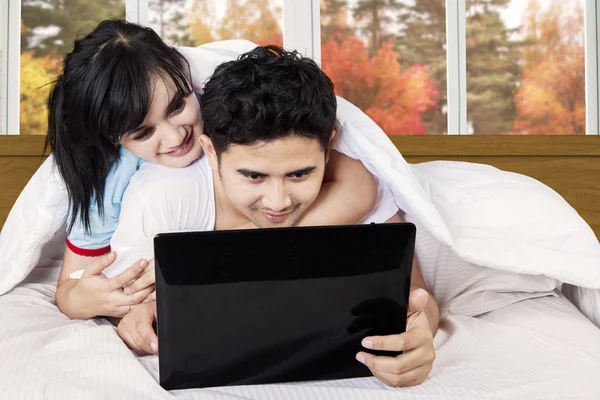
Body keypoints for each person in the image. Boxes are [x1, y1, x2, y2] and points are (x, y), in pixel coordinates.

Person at [102, 45, 439, 387]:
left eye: (299, 175)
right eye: (253, 176)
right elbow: (123, 303)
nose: (277, 203)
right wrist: (137, 320)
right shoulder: (162, 195)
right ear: (211, 153)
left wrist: (420, 331)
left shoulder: (357, 181)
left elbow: (417, 295)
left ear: (328, 149)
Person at [46, 20, 379, 320]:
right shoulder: (111, 179)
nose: (176, 136)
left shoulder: (232, 107)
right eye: (143, 133)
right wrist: (83, 302)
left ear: (185, 74)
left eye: (177, 106)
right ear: (114, 138)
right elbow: (68, 289)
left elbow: (360, 182)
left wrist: (231, 251)